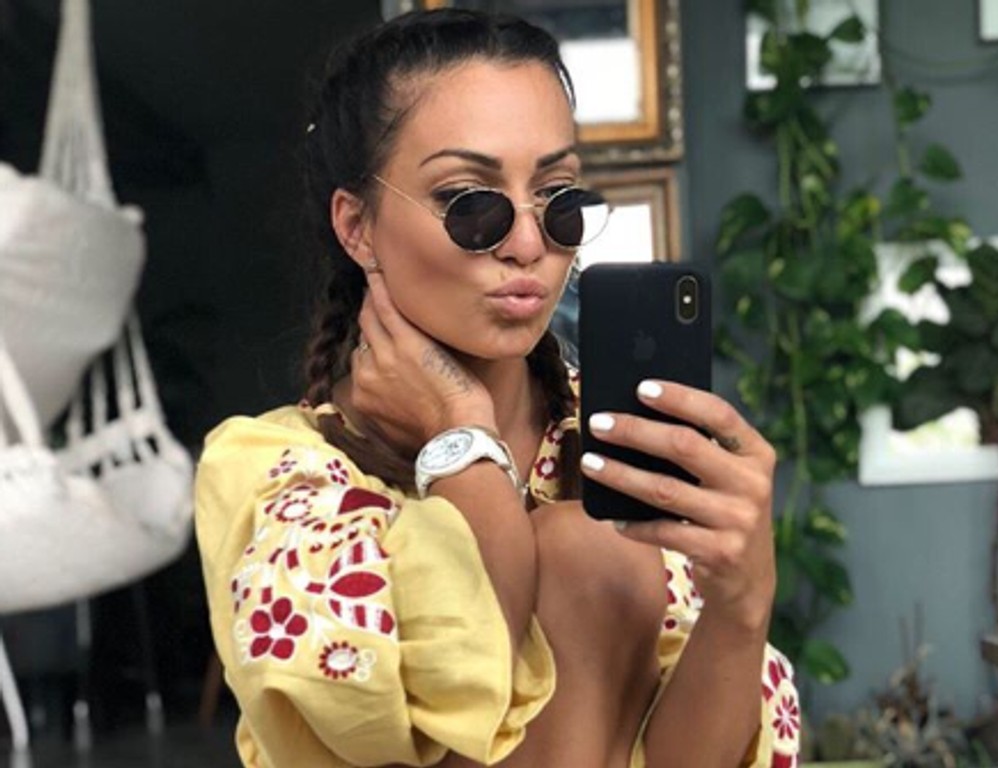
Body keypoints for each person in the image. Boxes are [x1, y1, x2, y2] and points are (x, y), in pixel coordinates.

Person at [194, 8, 800, 768]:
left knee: (593, 549)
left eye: (558, 197)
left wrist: (742, 603)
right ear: (357, 227)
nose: (528, 243)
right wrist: (462, 440)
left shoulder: (620, 445)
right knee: (585, 550)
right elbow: (400, 724)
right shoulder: (276, 474)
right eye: (470, 203)